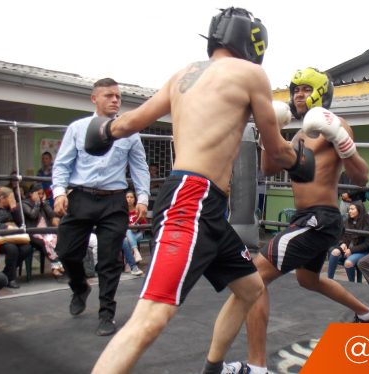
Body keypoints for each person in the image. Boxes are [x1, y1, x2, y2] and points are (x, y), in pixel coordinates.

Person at [86, 9, 313, 373]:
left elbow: (127, 123)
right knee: (151, 317)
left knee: (251, 288)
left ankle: (213, 368)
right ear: (253, 42)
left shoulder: (182, 75)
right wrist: (301, 159)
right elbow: (276, 151)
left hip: (205, 206)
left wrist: (101, 132)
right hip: (191, 201)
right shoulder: (251, 73)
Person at [226, 67, 369, 374]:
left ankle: (256, 368)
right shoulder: (297, 135)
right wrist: (268, 131)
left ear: (322, 93)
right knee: (307, 279)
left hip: (319, 218)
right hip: (306, 219)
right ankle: (368, 315)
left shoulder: (334, 126)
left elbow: (361, 176)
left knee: (254, 277)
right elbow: (270, 169)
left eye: (306, 89)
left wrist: (340, 138)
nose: (299, 94)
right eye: (295, 89)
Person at [52, 77, 151, 337]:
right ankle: (79, 287)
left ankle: (106, 313)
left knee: (109, 260)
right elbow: (62, 164)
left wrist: (142, 198)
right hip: (81, 197)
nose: (115, 99)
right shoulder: (78, 128)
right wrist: (59, 193)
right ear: (94, 99)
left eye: (117, 96)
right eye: (108, 95)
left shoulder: (129, 131)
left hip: (113, 200)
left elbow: (139, 166)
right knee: (65, 251)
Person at [0, 187, 32, 289]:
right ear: (2, 198)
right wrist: (6, 227)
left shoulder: (11, 209)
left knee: (27, 248)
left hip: (13, 236)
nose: (13, 200)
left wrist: (14, 209)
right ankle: (11, 278)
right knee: (12, 249)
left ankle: (6, 273)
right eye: (11, 197)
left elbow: (20, 223)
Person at [327, 201, 369, 282]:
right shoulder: (347, 221)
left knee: (348, 263)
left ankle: (351, 283)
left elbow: (367, 243)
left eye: (352, 209)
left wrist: (351, 250)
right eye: (349, 209)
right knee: (335, 252)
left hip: (361, 251)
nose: (349, 211)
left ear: (359, 210)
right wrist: (341, 243)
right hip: (347, 249)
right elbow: (339, 235)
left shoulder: (368, 221)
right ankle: (329, 280)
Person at [22, 182, 64, 277]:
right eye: (38, 194)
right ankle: (55, 266)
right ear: (31, 193)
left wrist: (44, 204)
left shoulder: (44, 202)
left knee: (55, 239)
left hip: (46, 231)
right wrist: (37, 203)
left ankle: (58, 265)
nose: (40, 196)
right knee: (45, 242)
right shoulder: (25, 203)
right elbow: (32, 215)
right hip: (33, 233)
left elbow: (52, 215)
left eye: (42, 193)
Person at [120, 190, 144, 276]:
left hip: (138, 233)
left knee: (129, 232)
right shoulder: (122, 211)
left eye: (131, 197)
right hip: (126, 235)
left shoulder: (138, 210)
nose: (129, 199)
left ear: (134, 199)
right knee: (127, 234)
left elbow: (144, 225)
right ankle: (135, 253)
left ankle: (128, 264)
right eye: (127, 197)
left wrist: (136, 227)